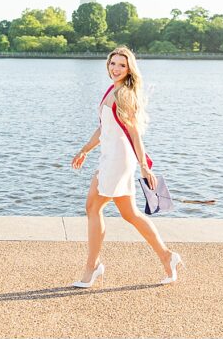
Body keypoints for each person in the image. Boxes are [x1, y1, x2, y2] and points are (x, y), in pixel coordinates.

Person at [70, 46, 184, 287]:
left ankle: (92, 267)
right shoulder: (114, 89)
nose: (116, 68)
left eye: (122, 65)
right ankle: (167, 256)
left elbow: (134, 132)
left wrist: (144, 166)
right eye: (113, 63)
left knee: (93, 207)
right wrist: (84, 150)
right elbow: (104, 128)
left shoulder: (124, 94)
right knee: (129, 213)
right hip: (111, 156)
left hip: (118, 160)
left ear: (129, 68)